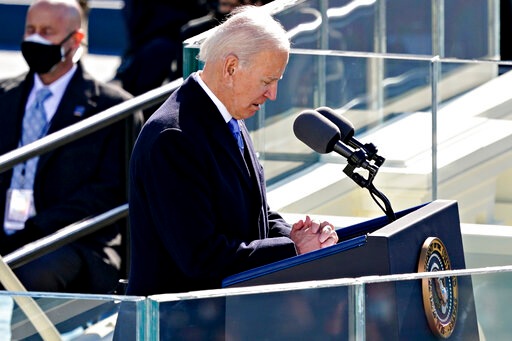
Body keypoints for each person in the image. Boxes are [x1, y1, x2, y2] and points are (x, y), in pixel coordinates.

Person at [126, 5, 339, 298]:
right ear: (230, 68)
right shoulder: (174, 137)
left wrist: (294, 233)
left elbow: (249, 214)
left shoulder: (226, 116)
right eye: (267, 81)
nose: (273, 94)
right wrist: (293, 247)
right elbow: (201, 256)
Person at [0, 0, 143, 294]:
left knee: (33, 271)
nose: (35, 38)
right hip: (5, 230)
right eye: (31, 29)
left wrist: (36, 228)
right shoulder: (4, 96)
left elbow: (108, 192)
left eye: (47, 31)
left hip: (70, 239)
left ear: (75, 40)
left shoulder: (112, 108)